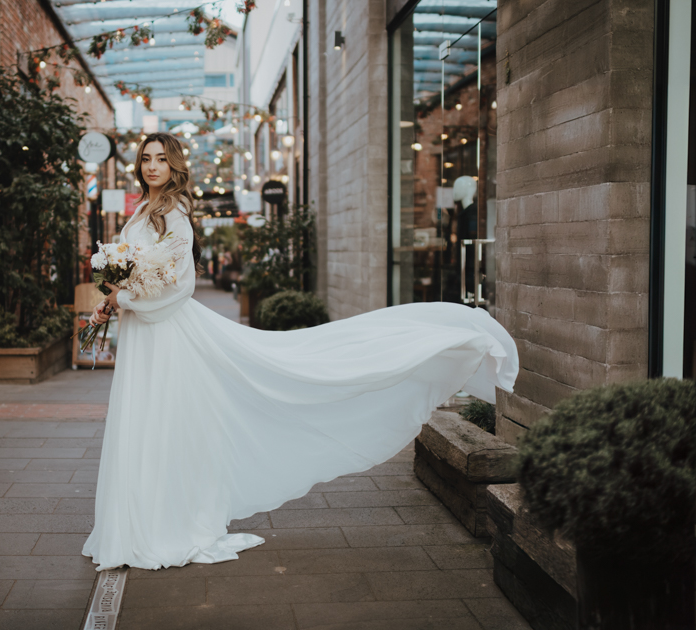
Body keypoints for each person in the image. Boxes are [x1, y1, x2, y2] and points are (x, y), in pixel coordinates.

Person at [81, 132, 519, 572]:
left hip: (167, 337)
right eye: (145, 159)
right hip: (144, 333)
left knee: (165, 423)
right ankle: (136, 524)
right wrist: (112, 299)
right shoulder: (140, 211)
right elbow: (138, 280)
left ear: (174, 165)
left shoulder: (175, 215)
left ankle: (163, 524)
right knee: (145, 420)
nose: (152, 166)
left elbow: (180, 286)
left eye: (160, 158)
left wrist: (123, 301)